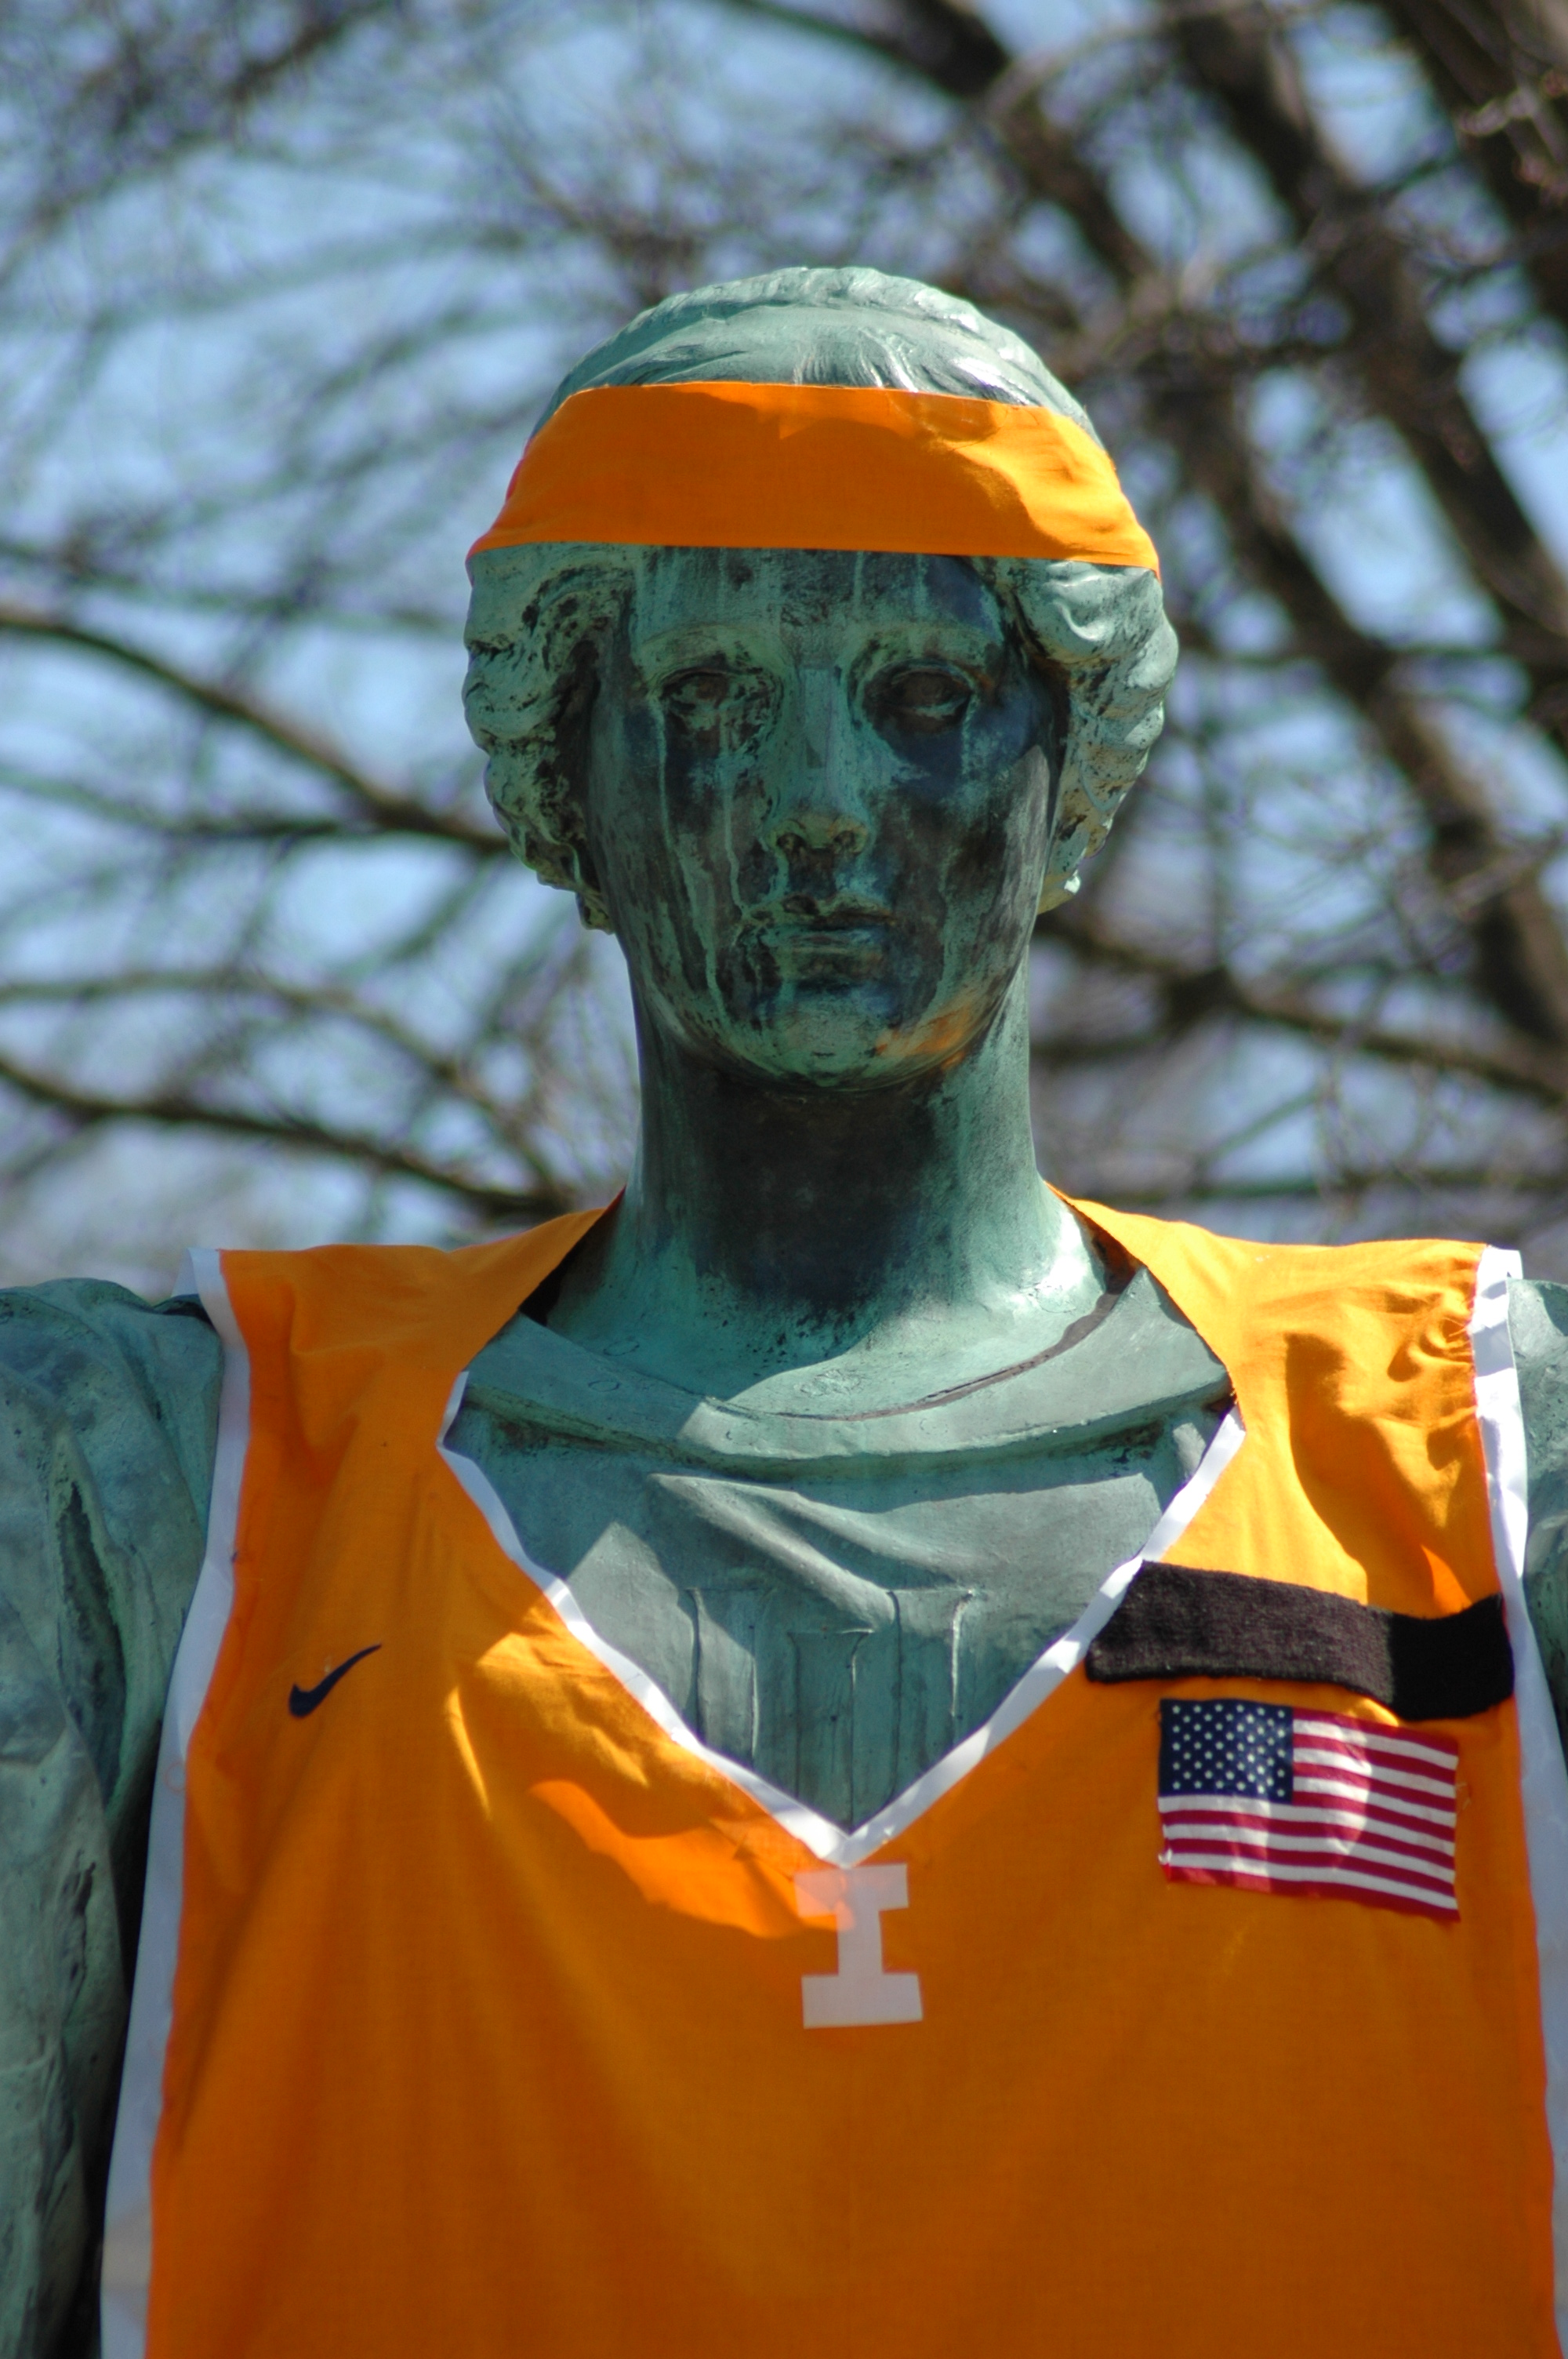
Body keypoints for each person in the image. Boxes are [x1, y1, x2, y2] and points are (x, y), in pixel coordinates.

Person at [3, 266, 1566, 2359]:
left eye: (923, 699)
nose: (822, 804)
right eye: (719, 701)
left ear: (1072, 770)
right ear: (566, 784)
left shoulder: (1481, 1463)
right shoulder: (162, 1493)